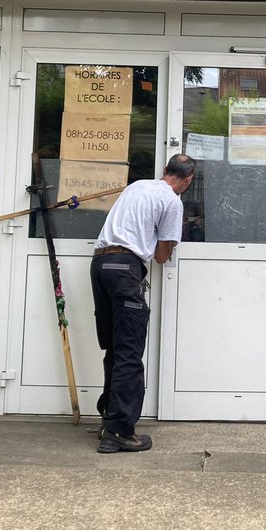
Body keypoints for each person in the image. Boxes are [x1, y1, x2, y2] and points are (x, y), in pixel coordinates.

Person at [90, 153, 196, 454]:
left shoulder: (136, 187)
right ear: (187, 180)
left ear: (165, 170)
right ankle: (119, 432)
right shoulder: (173, 202)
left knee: (114, 347)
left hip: (100, 265)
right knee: (129, 352)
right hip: (125, 269)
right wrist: (167, 247)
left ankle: (108, 418)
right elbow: (162, 255)